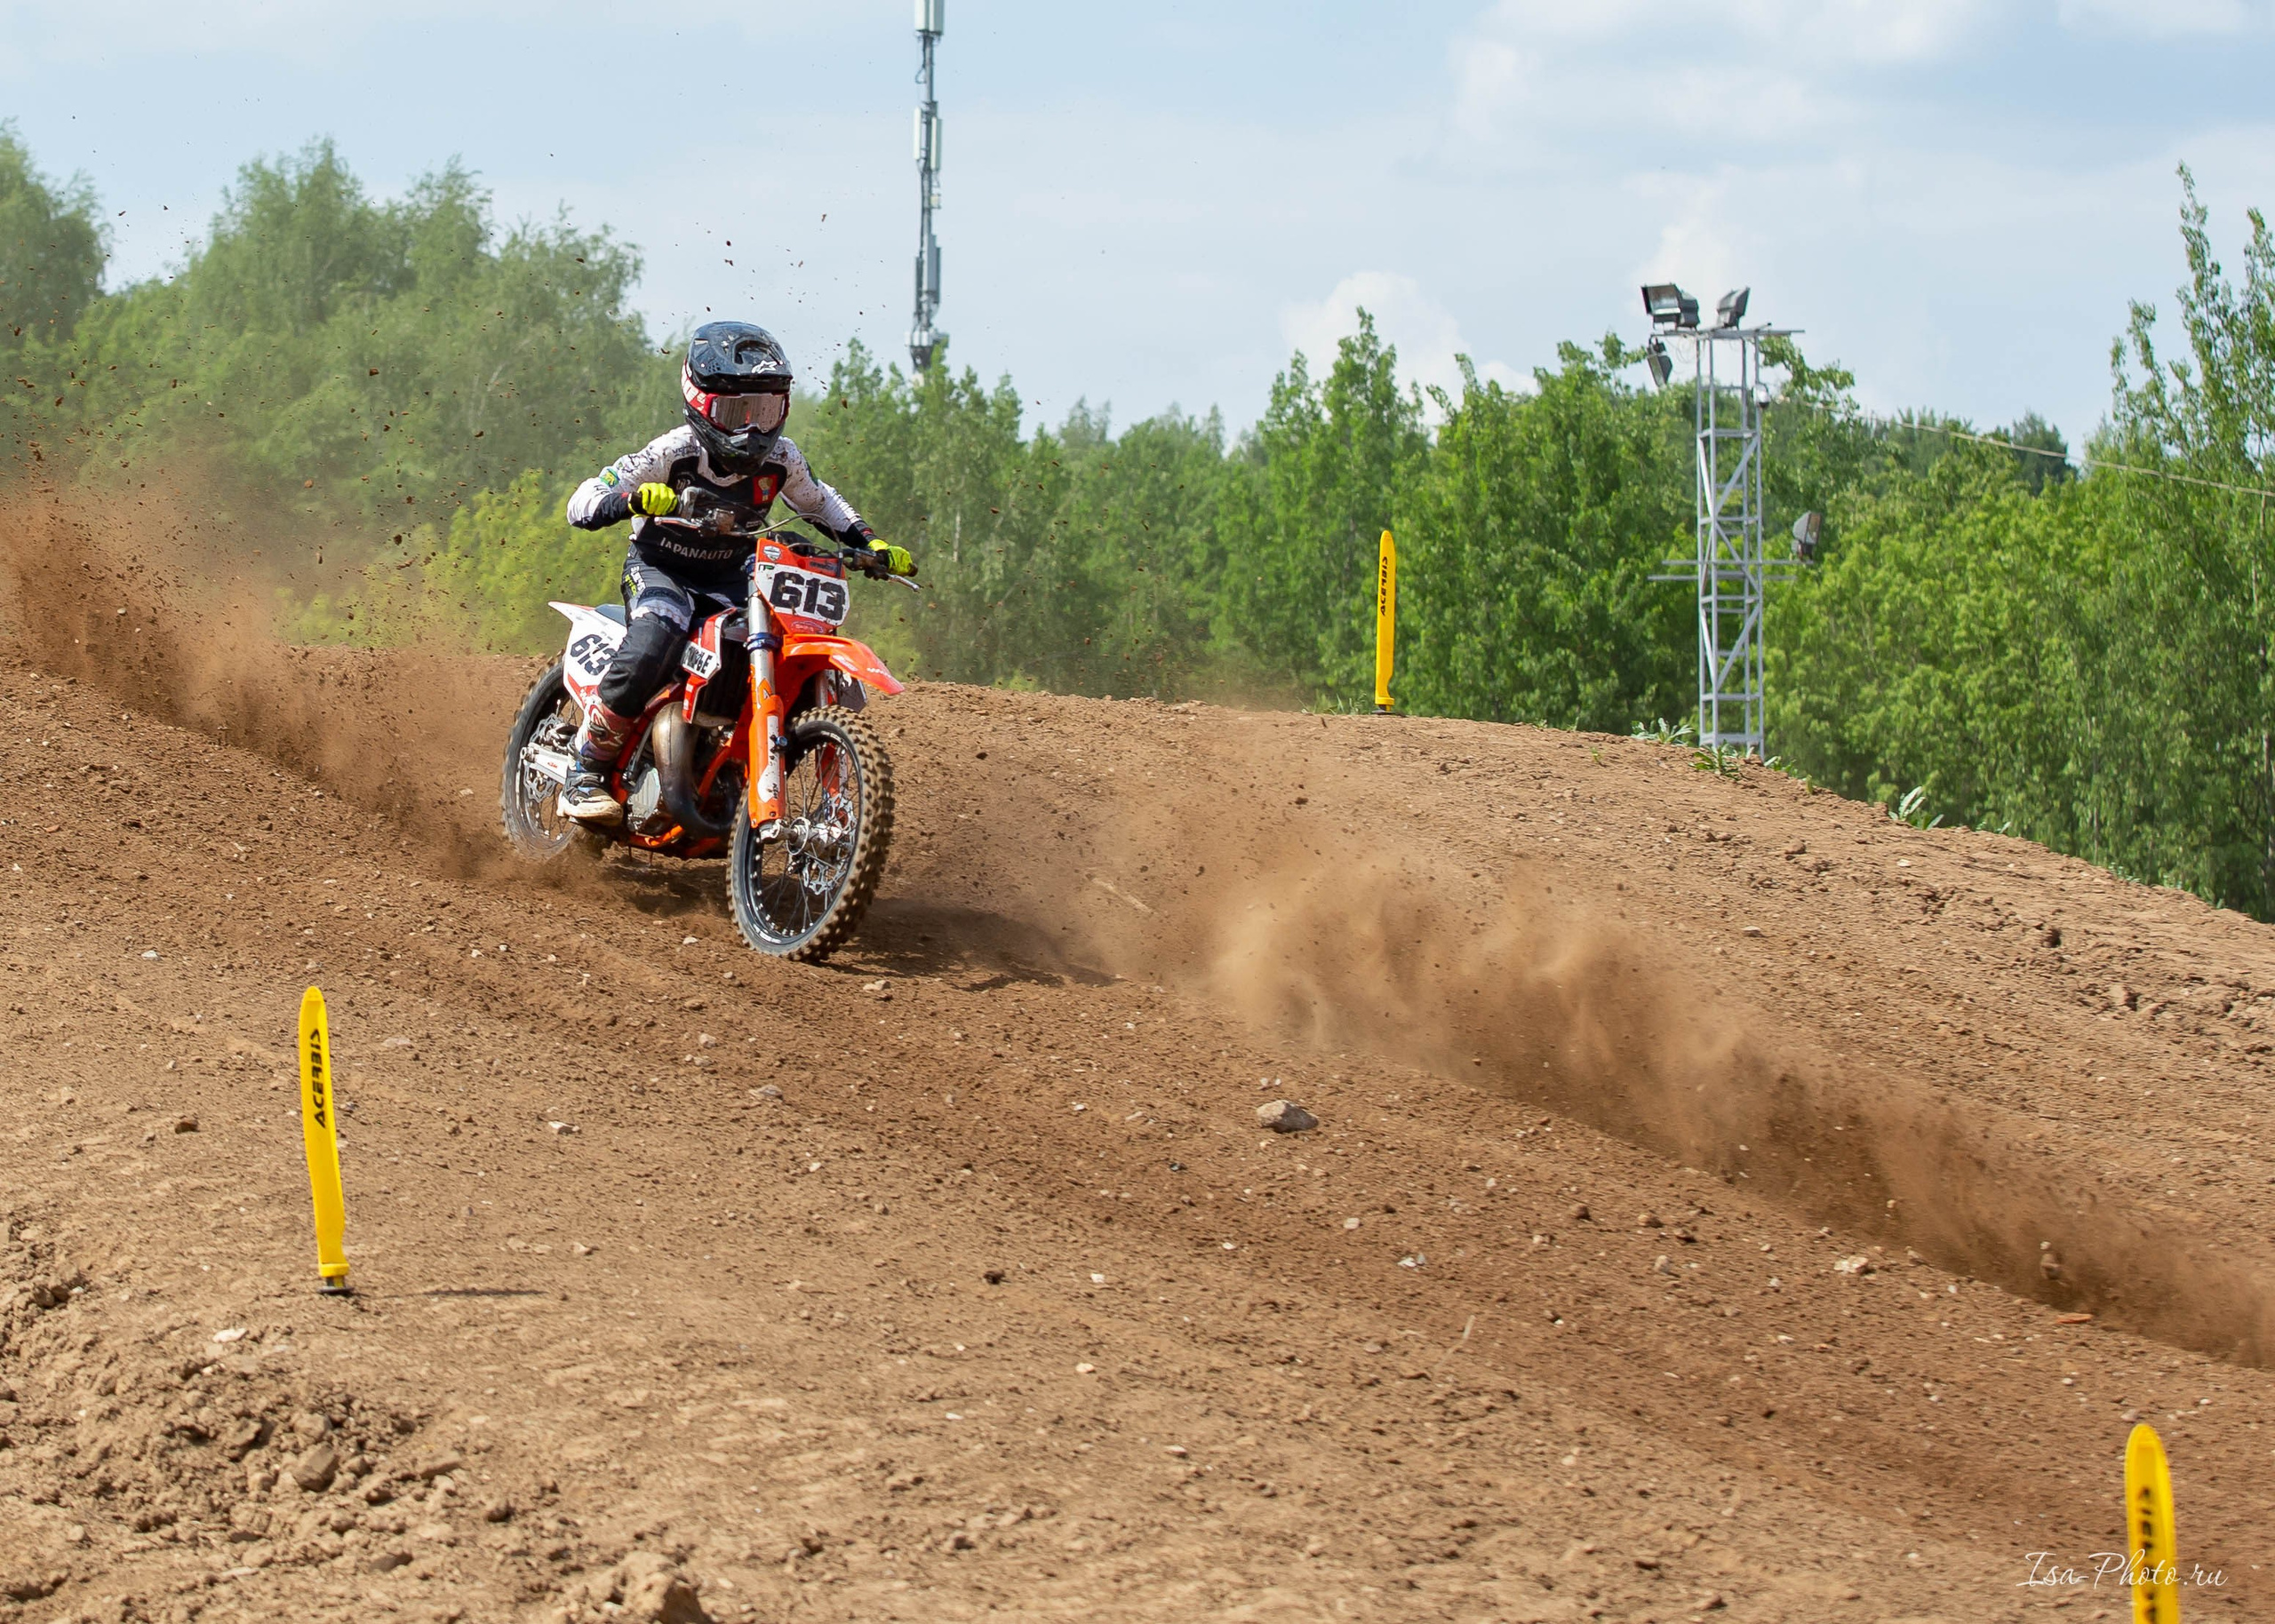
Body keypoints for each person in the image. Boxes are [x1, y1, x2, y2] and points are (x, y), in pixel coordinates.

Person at [556, 321, 912, 824]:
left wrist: (870, 542)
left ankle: (735, 769)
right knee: (658, 630)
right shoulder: (673, 452)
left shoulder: (783, 459)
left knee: (781, 641)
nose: (751, 428)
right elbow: (583, 500)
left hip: (734, 578)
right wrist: (633, 499)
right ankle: (585, 772)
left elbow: (820, 502)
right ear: (700, 403)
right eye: (735, 411)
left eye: (764, 410)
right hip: (663, 569)